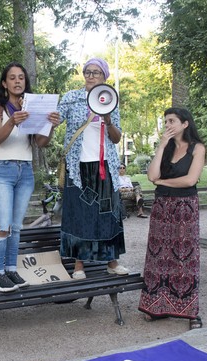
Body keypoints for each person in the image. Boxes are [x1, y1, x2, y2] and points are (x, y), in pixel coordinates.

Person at [0, 62, 58, 292]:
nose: (18, 81)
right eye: (12, 78)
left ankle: (10, 269)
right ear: (4, 83)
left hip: (24, 171)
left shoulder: (32, 109)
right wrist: (12, 120)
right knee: (3, 224)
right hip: (1, 170)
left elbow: (40, 143)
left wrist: (50, 125)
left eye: (21, 78)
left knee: (16, 226)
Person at [58, 57, 128, 280]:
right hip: (78, 167)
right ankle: (79, 265)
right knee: (80, 214)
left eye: (96, 72)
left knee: (108, 212)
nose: (91, 76)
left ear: (104, 77)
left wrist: (108, 119)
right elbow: (55, 120)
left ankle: (112, 261)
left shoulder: (110, 100)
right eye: (88, 71)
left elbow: (116, 138)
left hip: (104, 166)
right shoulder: (72, 98)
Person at [139, 107, 205, 330]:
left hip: (185, 208)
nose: (168, 125)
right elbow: (151, 176)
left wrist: (163, 183)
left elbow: (190, 180)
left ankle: (190, 311)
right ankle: (158, 306)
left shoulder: (198, 148)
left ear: (185, 124)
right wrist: (161, 146)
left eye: (172, 121)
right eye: (166, 121)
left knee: (185, 258)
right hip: (161, 208)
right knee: (159, 257)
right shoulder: (165, 149)